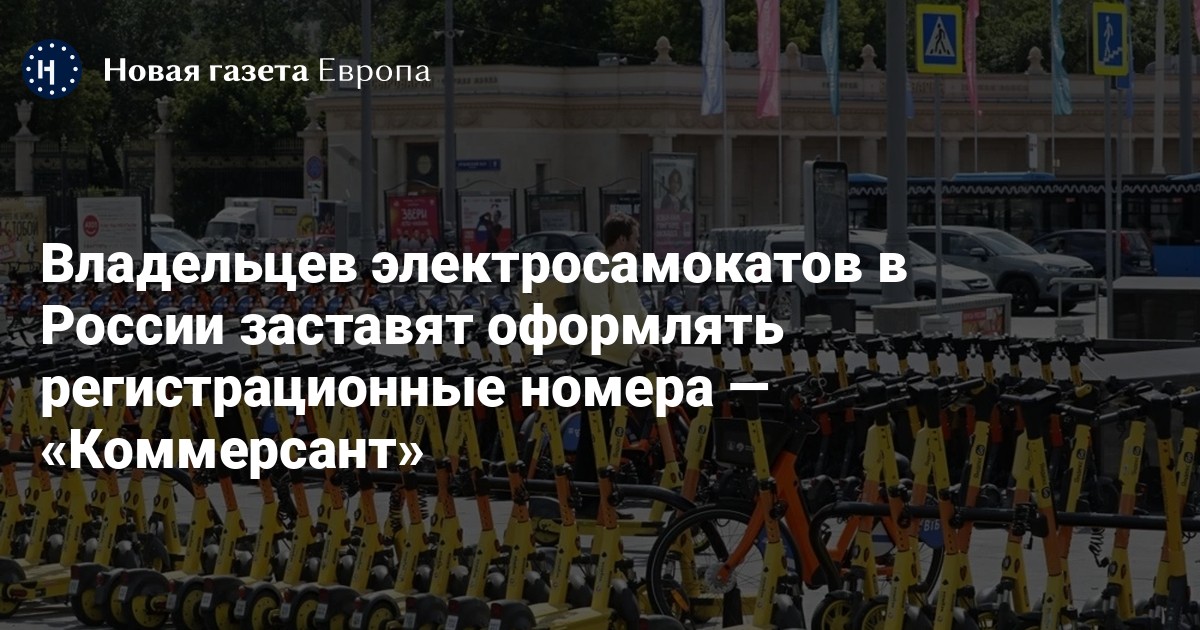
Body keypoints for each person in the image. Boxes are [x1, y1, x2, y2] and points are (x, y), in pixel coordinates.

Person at [574, 213, 662, 517]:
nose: (638, 245)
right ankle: (588, 502)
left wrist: (656, 341)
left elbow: (637, 312)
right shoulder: (597, 268)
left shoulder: (622, 270)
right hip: (598, 362)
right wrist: (638, 345)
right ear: (622, 239)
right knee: (594, 436)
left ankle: (604, 502)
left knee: (610, 434)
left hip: (619, 362)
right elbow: (601, 319)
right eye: (635, 239)